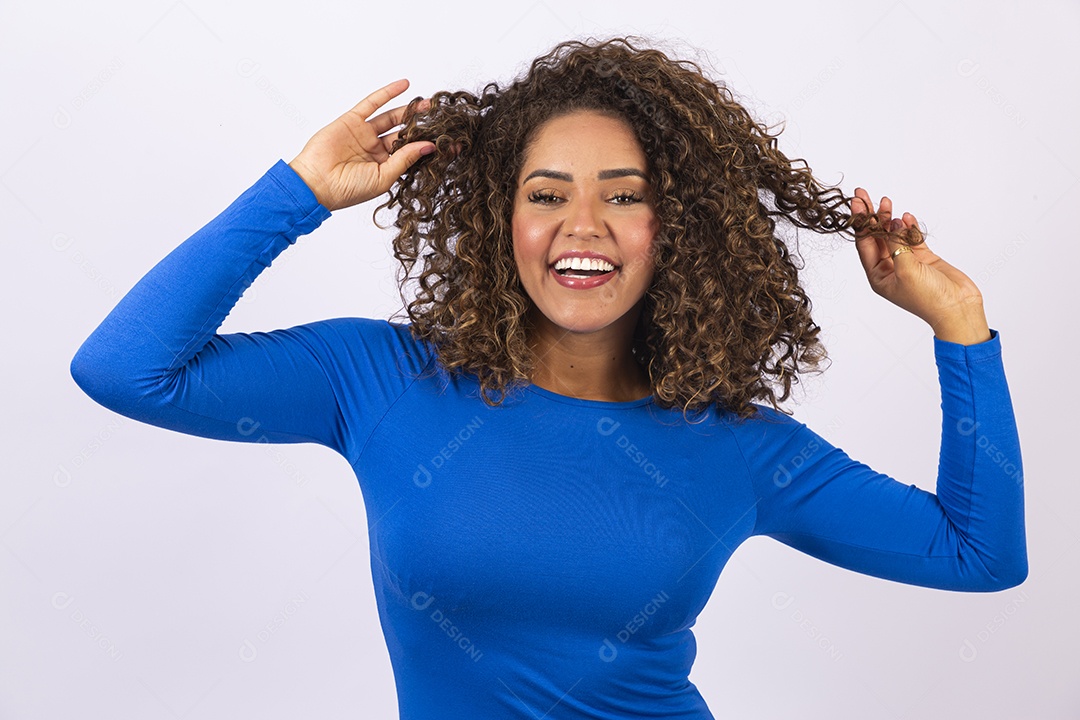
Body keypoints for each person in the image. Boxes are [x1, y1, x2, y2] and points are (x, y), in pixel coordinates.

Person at [70, 36, 1026, 720]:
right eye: (546, 195)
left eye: (626, 196)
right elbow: (126, 369)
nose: (584, 226)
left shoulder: (735, 443)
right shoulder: (380, 377)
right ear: (501, 220)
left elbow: (978, 557)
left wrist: (960, 329)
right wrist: (299, 193)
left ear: (677, 228)